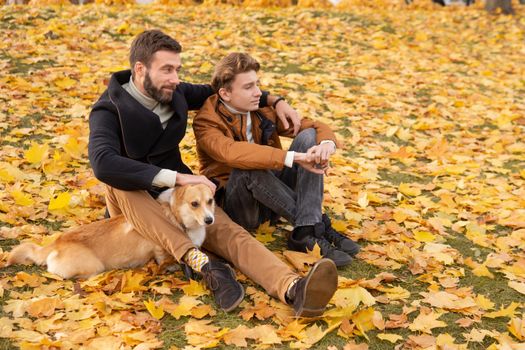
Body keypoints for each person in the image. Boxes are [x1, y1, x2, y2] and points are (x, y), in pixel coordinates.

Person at [88, 29, 338, 317]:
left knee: (230, 232)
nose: (175, 78)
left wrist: (276, 100)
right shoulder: (108, 109)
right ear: (140, 69)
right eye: (166, 69)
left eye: (178, 69)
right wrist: (179, 177)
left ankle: (294, 289)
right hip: (134, 200)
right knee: (120, 182)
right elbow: (103, 163)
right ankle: (202, 263)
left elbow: (224, 88)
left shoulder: (175, 91)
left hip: (181, 197)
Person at [193, 53, 360, 268]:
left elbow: (313, 126)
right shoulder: (206, 121)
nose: (258, 93)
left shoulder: (261, 110)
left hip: (272, 197)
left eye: (257, 84)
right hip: (242, 207)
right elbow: (232, 153)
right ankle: (314, 224)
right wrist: (294, 157)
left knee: (309, 138)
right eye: (248, 87)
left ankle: (306, 229)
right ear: (225, 93)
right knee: (247, 167)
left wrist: (327, 144)